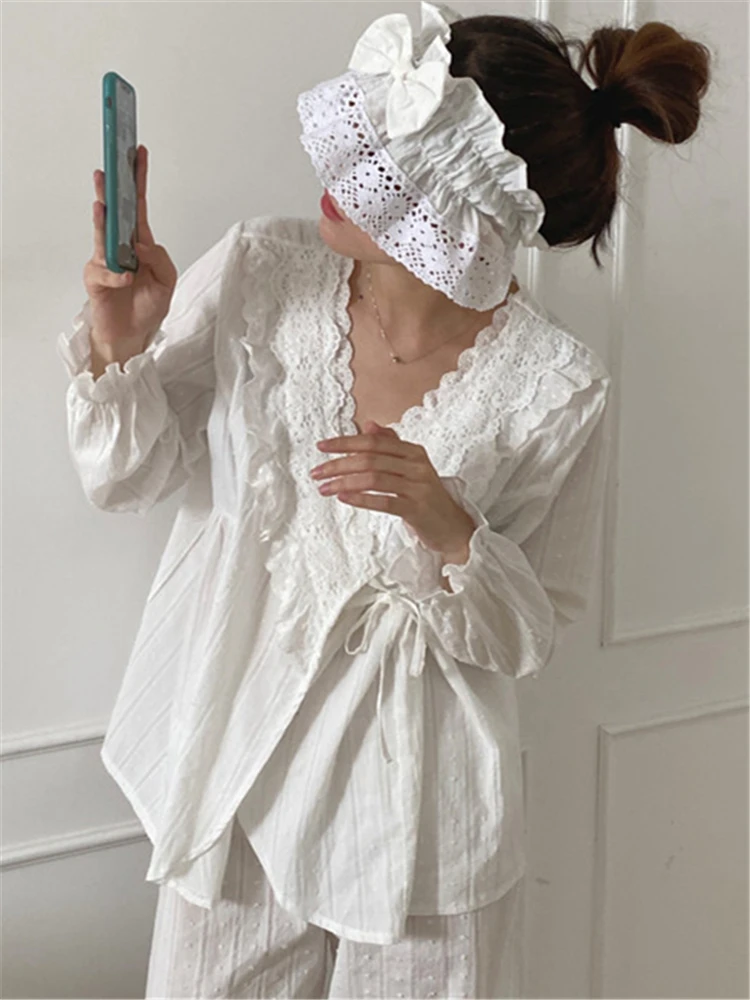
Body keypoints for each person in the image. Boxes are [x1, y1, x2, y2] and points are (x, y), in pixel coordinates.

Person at [58, 3, 711, 997]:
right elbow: (126, 479)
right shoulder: (259, 271)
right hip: (239, 770)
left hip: (423, 820)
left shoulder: (554, 383)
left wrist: (451, 529)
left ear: (456, 206)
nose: (335, 167)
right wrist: (122, 342)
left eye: (377, 159)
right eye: (351, 133)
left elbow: (531, 633)